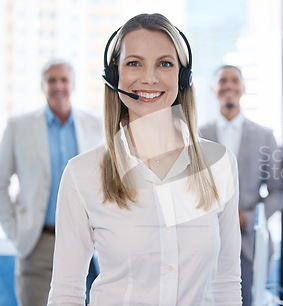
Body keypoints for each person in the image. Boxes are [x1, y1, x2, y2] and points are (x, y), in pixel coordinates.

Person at [47, 13, 242, 305]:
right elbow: (66, 292)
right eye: (134, 63)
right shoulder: (82, 173)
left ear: (183, 76)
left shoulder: (220, 165)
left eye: (165, 63)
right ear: (114, 76)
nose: (149, 78)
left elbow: (225, 283)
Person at [0, 58, 102, 306]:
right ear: (43, 85)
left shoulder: (95, 125)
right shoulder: (18, 126)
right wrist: (16, 233)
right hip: (37, 241)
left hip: (85, 240)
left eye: (64, 79)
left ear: (73, 84)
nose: (58, 86)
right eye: (52, 80)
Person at [199, 65, 283, 306]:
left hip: (248, 241)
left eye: (234, 80)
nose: (229, 85)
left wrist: (247, 218)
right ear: (212, 88)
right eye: (222, 80)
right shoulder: (197, 134)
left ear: (243, 88)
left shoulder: (264, 136)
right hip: (204, 237)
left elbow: (279, 190)